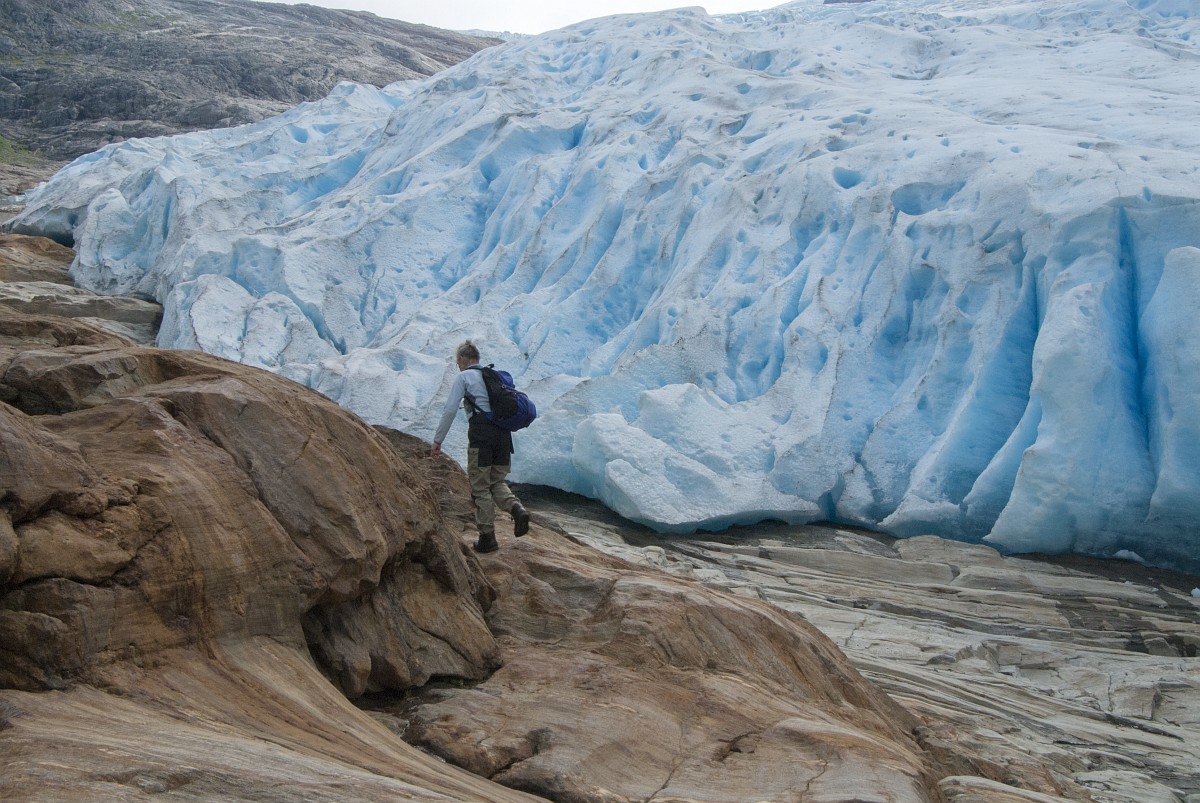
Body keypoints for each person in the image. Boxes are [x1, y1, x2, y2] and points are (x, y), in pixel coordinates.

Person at [431, 340, 531, 553]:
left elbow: (450, 409)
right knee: (496, 481)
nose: (458, 366)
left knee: (480, 487)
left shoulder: (464, 377)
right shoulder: (492, 376)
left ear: (463, 359)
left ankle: (487, 538)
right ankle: (517, 509)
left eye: (458, 362)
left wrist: (438, 440)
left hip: (482, 436)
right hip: (503, 436)